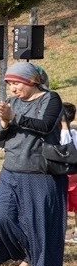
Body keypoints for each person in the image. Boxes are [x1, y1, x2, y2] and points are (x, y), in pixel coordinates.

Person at [0, 62, 65, 266]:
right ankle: (29, 256)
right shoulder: (12, 104)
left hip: (40, 172)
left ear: (31, 81)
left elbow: (46, 125)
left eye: (16, 83)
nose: (13, 89)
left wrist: (14, 117)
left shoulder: (51, 99)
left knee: (41, 227)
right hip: (11, 170)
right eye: (9, 84)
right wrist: (4, 122)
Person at [61, 103, 77, 243]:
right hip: (75, 174)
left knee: (63, 205)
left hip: (64, 175)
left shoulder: (60, 135)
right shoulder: (75, 133)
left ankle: (61, 231)